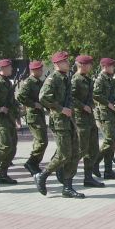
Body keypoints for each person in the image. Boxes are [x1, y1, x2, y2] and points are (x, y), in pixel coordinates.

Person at [34, 51, 85, 198]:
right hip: (59, 121)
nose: (68, 63)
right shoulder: (53, 78)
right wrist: (61, 109)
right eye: (64, 61)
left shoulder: (65, 78)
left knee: (74, 153)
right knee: (64, 154)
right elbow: (43, 97)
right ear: (56, 64)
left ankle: (67, 187)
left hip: (68, 120)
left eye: (67, 61)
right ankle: (42, 175)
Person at [71, 55, 104, 188]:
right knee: (81, 149)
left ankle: (88, 177)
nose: (91, 66)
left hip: (89, 118)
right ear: (81, 65)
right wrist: (82, 106)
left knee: (93, 149)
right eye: (89, 64)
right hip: (80, 118)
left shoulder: (87, 79)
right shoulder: (75, 80)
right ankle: (64, 169)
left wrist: (90, 105)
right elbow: (70, 97)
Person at [0, 59, 21, 185]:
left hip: (10, 118)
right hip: (0, 119)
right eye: (9, 67)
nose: (11, 69)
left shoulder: (8, 82)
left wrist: (17, 117)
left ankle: (3, 174)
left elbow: (12, 102)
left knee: (12, 147)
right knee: (5, 145)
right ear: (3, 68)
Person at [92, 58, 115, 180]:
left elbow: (113, 93)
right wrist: (109, 104)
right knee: (109, 140)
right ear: (104, 67)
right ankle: (95, 162)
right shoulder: (100, 79)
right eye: (111, 66)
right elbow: (95, 94)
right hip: (104, 114)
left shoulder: (109, 79)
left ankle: (108, 170)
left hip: (111, 113)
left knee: (113, 141)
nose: (113, 68)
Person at [17, 60, 48, 176]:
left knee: (41, 141)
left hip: (39, 114)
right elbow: (20, 96)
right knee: (41, 141)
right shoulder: (28, 82)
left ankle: (34, 164)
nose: (41, 71)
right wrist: (33, 104)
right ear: (32, 70)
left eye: (41, 69)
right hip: (33, 115)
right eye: (38, 69)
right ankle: (31, 163)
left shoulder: (38, 82)